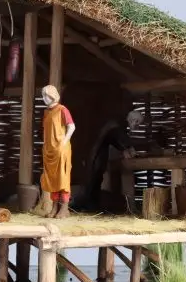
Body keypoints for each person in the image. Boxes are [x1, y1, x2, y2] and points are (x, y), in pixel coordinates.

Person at [77, 110, 143, 212]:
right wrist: (128, 147)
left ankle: (90, 208)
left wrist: (125, 149)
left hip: (96, 154)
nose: (138, 126)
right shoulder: (118, 125)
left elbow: (115, 139)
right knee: (93, 181)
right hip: (96, 155)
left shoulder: (117, 124)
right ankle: (85, 207)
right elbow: (118, 136)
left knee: (95, 181)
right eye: (138, 122)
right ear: (133, 120)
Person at [39, 84, 76, 219]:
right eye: (43, 96)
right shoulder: (47, 112)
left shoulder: (62, 110)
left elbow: (71, 126)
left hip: (61, 148)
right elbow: (46, 130)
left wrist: (64, 142)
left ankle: (64, 208)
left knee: (62, 177)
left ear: (53, 95)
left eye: (46, 96)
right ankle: (54, 207)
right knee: (52, 179)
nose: (44, 98)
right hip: (49, 149)